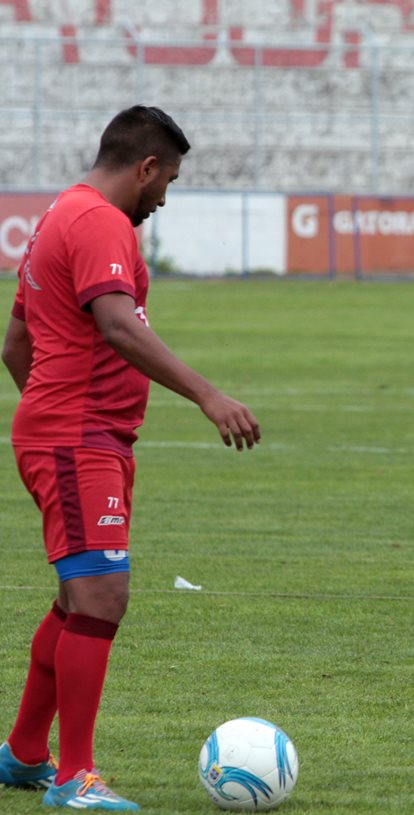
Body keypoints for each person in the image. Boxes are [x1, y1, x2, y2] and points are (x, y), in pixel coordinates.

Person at [0, 106, 260, 810]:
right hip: (78, 438)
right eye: (167, 180)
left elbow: (16, 345)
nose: (165, 198)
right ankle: (74, 776)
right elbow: (116, 323)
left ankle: (25, 754)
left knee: (77, 595)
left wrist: (52, 415)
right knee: (101, 596)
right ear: (145, 167)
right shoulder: (99, 222)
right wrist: (208, 395)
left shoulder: (59, 214)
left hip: (76, 435)